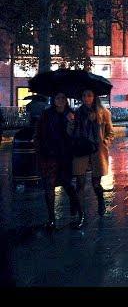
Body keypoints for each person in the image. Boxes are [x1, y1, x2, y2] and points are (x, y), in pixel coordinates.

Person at [34, 92, 82, 230]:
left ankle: (80, 213)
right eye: (57, 98)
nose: (60, 100)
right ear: (53, 100)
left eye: (63, 98)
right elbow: (38, 133)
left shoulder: (71, 114)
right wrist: (39, 148)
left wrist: (71, 124)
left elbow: (74, 135)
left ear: (66, 100)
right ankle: (51, 219)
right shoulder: (46, 114)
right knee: (48, 187)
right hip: (48, 155)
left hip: (65, 156)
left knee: (68, 185)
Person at [67, 89, 114, 227]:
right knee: (80, 184)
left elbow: (111, 133)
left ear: (94, 97)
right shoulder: (76, 113)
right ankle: (81, 216)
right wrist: (70, 122)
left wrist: (105, 142)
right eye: (84, 95)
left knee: (95, 184)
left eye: (89, 95)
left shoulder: (103, 113)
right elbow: (70, 133)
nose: (86, 98)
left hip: (97, 151)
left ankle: (100, 200)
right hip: (81, 150)